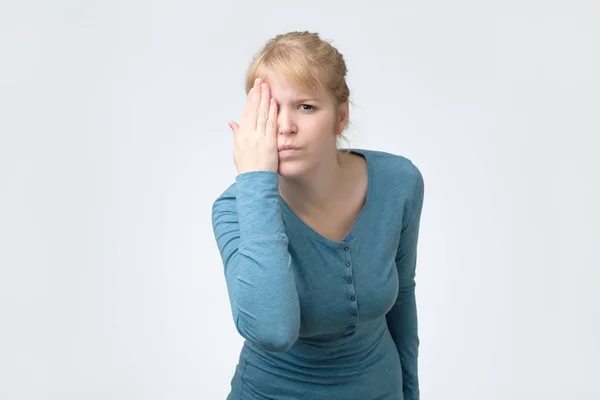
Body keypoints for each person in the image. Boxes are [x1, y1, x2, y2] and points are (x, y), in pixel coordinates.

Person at [211, 31, 424, 400]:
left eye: (305, 107)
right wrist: (255, 180)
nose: (284, 126)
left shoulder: (398, 183)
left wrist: (411, 392)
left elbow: (402, 297)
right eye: (270, 109)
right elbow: (273, 330)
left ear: (340, 117)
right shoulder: (234, 209)